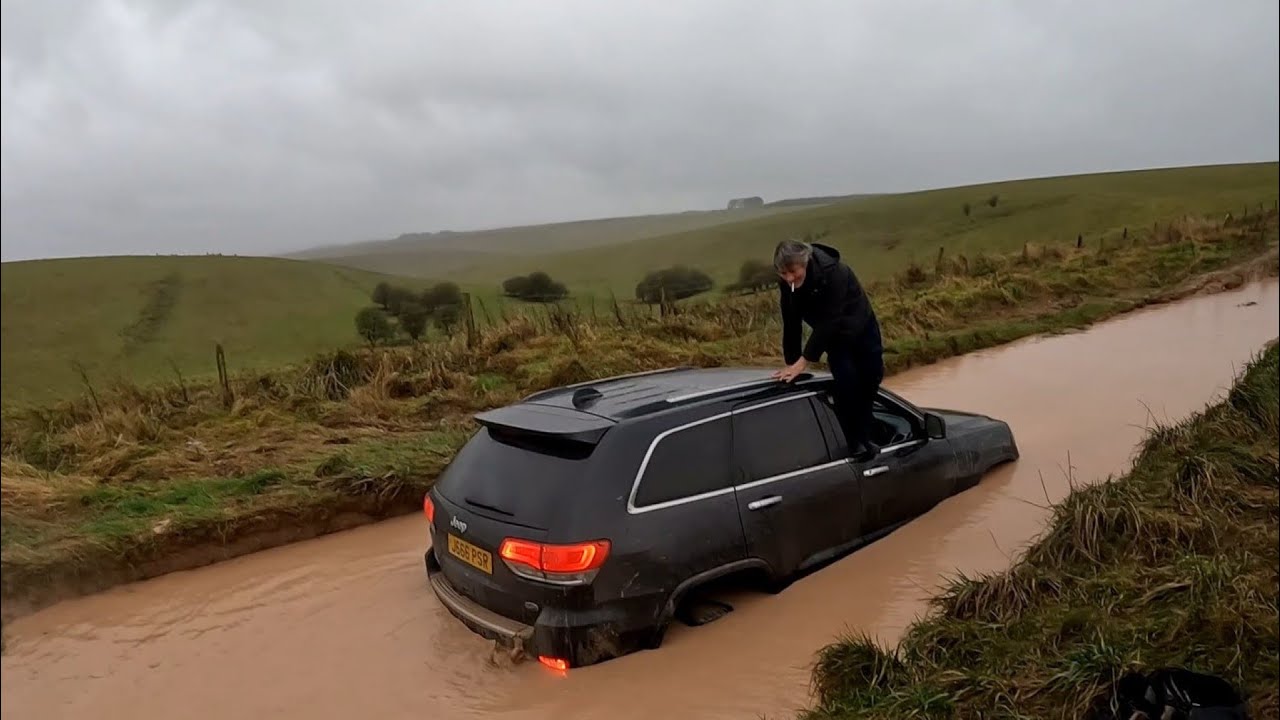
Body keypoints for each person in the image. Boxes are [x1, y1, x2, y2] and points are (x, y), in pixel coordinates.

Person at [771, 238, 884, 462]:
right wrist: (791, 364)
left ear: (805, 262)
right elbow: (791, 322)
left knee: (870, 378)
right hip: (835, 338)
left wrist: (804, 361)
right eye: (783, 274)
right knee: (846, 383)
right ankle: (854, 443)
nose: (789, 278)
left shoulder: (835, 273)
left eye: (793, 272)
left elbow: (830, 320)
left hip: (861, 328)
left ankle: (864, 435)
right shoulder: (788, 284)